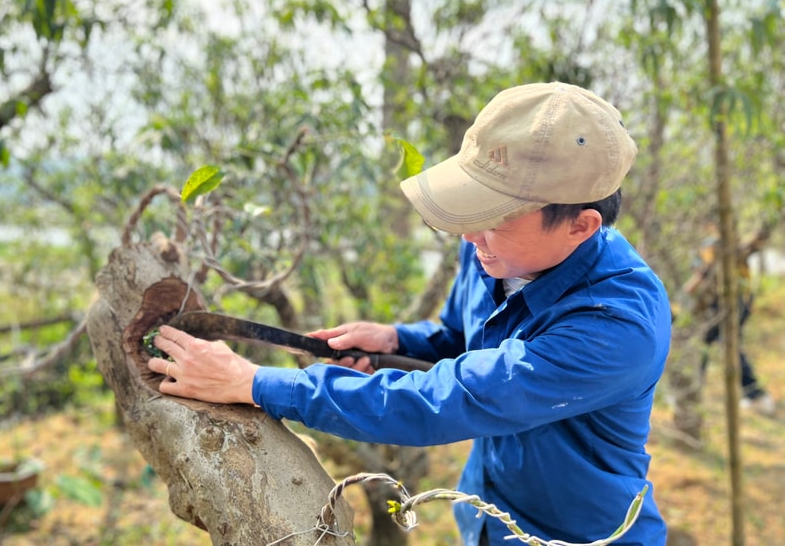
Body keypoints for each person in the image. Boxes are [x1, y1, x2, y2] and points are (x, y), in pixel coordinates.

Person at [148, 82, 671, 545]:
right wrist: (397, 342)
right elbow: (460, 338)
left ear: (580, 226)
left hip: (576, 536)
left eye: (496, 218)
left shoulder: (617, 325)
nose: (469, 236)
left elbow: (448, 401)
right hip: (490, 518)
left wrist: (256, 382)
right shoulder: (494, 248)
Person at [683, 231, 775, 416]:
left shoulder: (723, 251)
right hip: (722, 305)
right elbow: (693, 288)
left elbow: (751, 247)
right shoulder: (707, 253)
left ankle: (755, 395)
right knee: (707, 344)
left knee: (727, 346)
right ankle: (694, 390)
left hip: (733, 304)